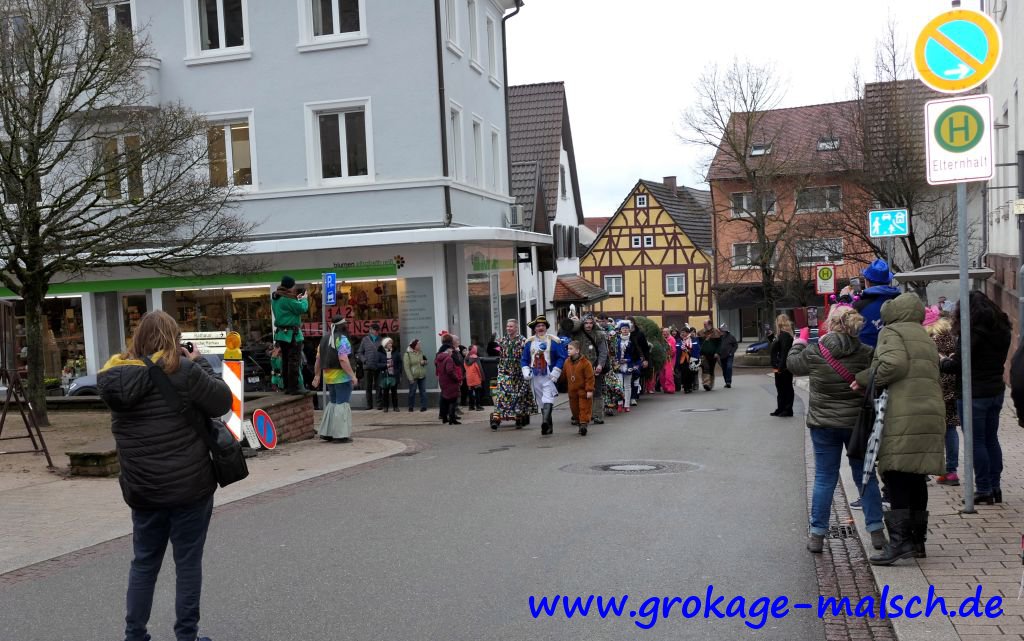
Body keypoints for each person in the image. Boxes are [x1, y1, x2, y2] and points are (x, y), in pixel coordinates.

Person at [98, 310, 232, 641]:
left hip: (143, 489)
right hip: (190, 488)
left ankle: (135, 635)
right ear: (174, 338)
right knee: (187, 563)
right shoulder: (183, 370)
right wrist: (200, 363)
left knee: (144, 563)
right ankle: (186, 635)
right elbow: (221, 402)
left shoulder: (115, 378)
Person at [853, 293, 945, 565]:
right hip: (929, 411)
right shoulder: (923, 335)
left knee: (895, 474)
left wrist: (863, 379)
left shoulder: (892, 332)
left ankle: (899, 543)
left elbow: (893, 364)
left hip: (903, 412)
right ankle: (917, 542)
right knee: (916, 475)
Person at [787, 306, 886, 553]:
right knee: (864, 475)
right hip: (856, 425)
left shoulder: (815, 351)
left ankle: (817, 535)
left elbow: (793, 365)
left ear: (830, 324)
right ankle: (876, 531)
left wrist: (798, 342)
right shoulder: (866, 352)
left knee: (824, 477)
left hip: (824, 424)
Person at [940, 291, 1012, 504]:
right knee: (991, 439)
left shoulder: (971, 332)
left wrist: (942, 360)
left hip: (973, 394)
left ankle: (983, 489)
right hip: (995, 390)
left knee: (976, 441)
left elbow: (958, 366)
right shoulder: (1002, 329)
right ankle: (995, 487)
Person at [923, 306, 960, 486]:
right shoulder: (951, 336)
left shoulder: (927, 340)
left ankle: (924, 469)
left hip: (933, 387)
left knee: (928, 430)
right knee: (950, 429)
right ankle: (951, 471)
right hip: (952, 387)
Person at [312, 316, 357, 443]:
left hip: (329, 378)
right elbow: (343, 359)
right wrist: (352, 376)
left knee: (333, 403)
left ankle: (328, 433)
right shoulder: (342, 339)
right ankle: (340, 435)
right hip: (342, 377)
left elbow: (318, 360)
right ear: (343, 326)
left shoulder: (324, 339)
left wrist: (317, 375)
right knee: (342, 404)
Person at [521, 315, 566, 435]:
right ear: (534, 329)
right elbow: (524, 359)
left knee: (548, 398)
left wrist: (556, 370)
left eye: (542, 325)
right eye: (538, 326)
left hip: (549, 375)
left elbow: (561, 357)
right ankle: (548, 426)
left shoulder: (554, 341)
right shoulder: (529, 342)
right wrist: (525, 370)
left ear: (546, 328)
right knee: (541, 401)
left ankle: (544, 422)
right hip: (536, 376)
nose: (540, 328)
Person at [562, 313, 610, 423]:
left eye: (591, 323)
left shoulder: (599, 335)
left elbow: (603, 351)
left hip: (594, 366)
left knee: (596, 391)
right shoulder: (576, 334)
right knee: (579, 392)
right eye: (586, 323)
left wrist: (600, 365)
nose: (588, 325)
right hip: (579, 367)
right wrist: (572, 322)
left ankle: (597, 415)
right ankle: (578, 416)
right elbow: (566, 335)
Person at [489, 319, 537, 430]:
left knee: (518, 395)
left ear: (516, 328)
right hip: (504, 371)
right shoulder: (503, 340)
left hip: (518, 373)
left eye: (511, 326)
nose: (508, 328)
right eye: (507, 326)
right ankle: (497, 416)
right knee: (501, 393)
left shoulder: (523, 341)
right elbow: (495, 352)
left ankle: (518, 416)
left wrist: (528, 369)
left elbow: (529, 355)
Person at [271, 275, 309, 394]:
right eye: (293, 286)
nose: (294, 288)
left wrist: (297, 299)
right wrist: (304, 299)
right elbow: (302, 308)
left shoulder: (277, 298)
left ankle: (287, 386)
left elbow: (290, 308)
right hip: (292, 335)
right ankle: (294, 387)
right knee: (294, 361)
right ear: (290, 286)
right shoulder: (286, 299)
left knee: (286, 360)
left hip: (282, 335)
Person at [853, 259, 901, 348]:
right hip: (897, 352)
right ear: (888, 281)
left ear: (867, 282)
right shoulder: (901, 302)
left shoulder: (859, 306)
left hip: (868, 354)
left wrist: (844, 300)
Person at [561, 341, 595, 436]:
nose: (568, 350)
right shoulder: (567, 362)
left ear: (577, 350)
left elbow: (590, 377)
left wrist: (589, 389)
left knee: (584, 407)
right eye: (568, 349)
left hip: (583, 390)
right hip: (572, 391)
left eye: (571, 349)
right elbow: (564, 375)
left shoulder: (585, 363)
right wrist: (558, 382)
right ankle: (579, 422)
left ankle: (583, 424)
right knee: (575, 409)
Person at [612, 320, 642, 412]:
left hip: (628, 365)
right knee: (619, 385)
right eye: (623, 328)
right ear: (620, 330)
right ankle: (620, 403)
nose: (625, 330)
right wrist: (615, 360)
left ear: (629, 330)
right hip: (618, 366)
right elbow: (613, 352)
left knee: (627, 385)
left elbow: (636, 354)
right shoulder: (616, 340)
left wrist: (627, 360)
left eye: (626, 328)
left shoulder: (633, 340)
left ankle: (627, 405)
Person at [770, 314, 795, 417]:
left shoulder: (785, 335)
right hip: (778, 365)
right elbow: (777, 347)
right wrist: (771, 337)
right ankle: (781, 408)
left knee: (786, 387)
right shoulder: (781, 335)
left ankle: (787, 409)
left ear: (779, 322)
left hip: (783, 366)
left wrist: (780, 367)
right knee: (780, 387)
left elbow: (784, 352)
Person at [435, 338, 463, 425]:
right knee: (453, 400)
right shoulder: (449, 359)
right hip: (450, 382)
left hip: (442, 381)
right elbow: (450, 371)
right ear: (447, 350)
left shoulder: (439, 358)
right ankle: (452, 419)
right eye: (451, 350)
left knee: (445, 400)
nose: (452, 351)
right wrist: (457, 378)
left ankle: (444, 418)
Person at [356, 323, 382, 410]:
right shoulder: (365, 340)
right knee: (368, 386)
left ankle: (379, 404)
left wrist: (382, 361)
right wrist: (364, 360)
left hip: (378, 366)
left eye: (377, 331)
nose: (376, 332)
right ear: (371, 330)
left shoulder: (381, 340)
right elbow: (360, 352)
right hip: (367, 367)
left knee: (379, 386)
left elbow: (383, 352)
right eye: (375, 330)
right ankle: (369, 405)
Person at [626, 317, 651, 403]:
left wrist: (646, 360)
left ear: (634, 323)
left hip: (637, 358)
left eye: (631, 322)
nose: (629, 324)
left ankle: (634, 397)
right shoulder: (623, 333)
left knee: (636, 376)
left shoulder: (640, 333)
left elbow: (645, 348)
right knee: (628, 378)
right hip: (627, 359)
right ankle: (627, 397)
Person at [375, 336, 401, 412]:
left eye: (391, 343)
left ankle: (395, 407)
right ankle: (385, 407)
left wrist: (398, 371)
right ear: (385, 344)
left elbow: (399, 363)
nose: (390, 344)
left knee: (394, 392)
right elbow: (377, 364)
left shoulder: (395, 352)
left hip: (393, 374)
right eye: (389, 343)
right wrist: (385, 365)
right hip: (384, 375)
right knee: (385, 392)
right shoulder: (380, 353)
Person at [403, 339, 429, 413]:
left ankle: (424, 406)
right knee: (412, 392)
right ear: (414, 346)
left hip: (422, 375)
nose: (419, 346)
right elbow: (406, 367)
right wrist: (410, 378)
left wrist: (424, 362)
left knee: (423, 391)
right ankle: (411, 407)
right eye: (418, 344)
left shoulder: (421, 352)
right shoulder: (407, 354)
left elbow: (426, 361)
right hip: (413, 376)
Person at [698, 320, 722, 391]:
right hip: (703, 354)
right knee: (705, 367)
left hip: (713, 355)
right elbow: (698, 343)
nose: (704, 326)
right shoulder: (700, 332)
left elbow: (719, 344)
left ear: (710, 324)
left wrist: (717, 352)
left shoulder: (716, 332)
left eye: (705, 324)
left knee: (711, 369)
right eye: (704, 324)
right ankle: (706, 383)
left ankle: (710, 384)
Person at [465, 345, 485, 411]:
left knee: (470, 392)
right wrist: (482, 376)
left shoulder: (466, 358)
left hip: (469, 377)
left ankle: (471, 406)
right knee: (477, 392)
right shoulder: (476, 358)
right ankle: (478, 406)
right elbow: (479, 368)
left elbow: (465, 367)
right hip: (476, 377)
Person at [718, 324, 739, 389]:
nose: (721, 332)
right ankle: (726, 382)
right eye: (720, 330)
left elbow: (735, 345)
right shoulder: (719, 338)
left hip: (729, 355)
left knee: (729, 367)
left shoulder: (731, 337)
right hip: (722, 356)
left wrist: (731, 352)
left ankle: (728, 382)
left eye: (722, 330)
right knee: (724, 369)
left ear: (725, 331)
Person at [660, 327, 677, 393]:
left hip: (669, 359)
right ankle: (665, 388)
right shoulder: (661, 339)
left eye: (666, 332)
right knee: (662, 375)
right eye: (664, 332)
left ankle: (670, 388)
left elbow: (673, 350)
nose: (665, 333)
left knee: (668, 374)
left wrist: (669, 353)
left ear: (669, 332)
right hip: (662, 359)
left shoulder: (672, 339)